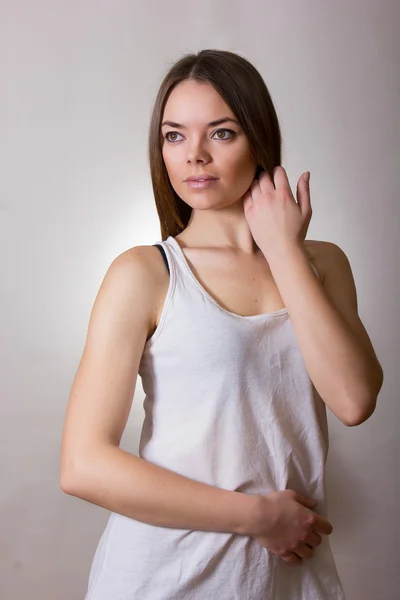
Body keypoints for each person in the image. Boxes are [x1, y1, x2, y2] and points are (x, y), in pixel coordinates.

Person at [60, 49, 383, 599]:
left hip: (289, 576)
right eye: (175, 136)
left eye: (223, 133)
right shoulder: (145, 273)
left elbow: (353, 400)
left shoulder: (322, 264)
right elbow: (83, 464)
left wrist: (282, 249)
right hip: (164, 576)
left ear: (258, 138)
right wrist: (257, 516)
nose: (196, 157)